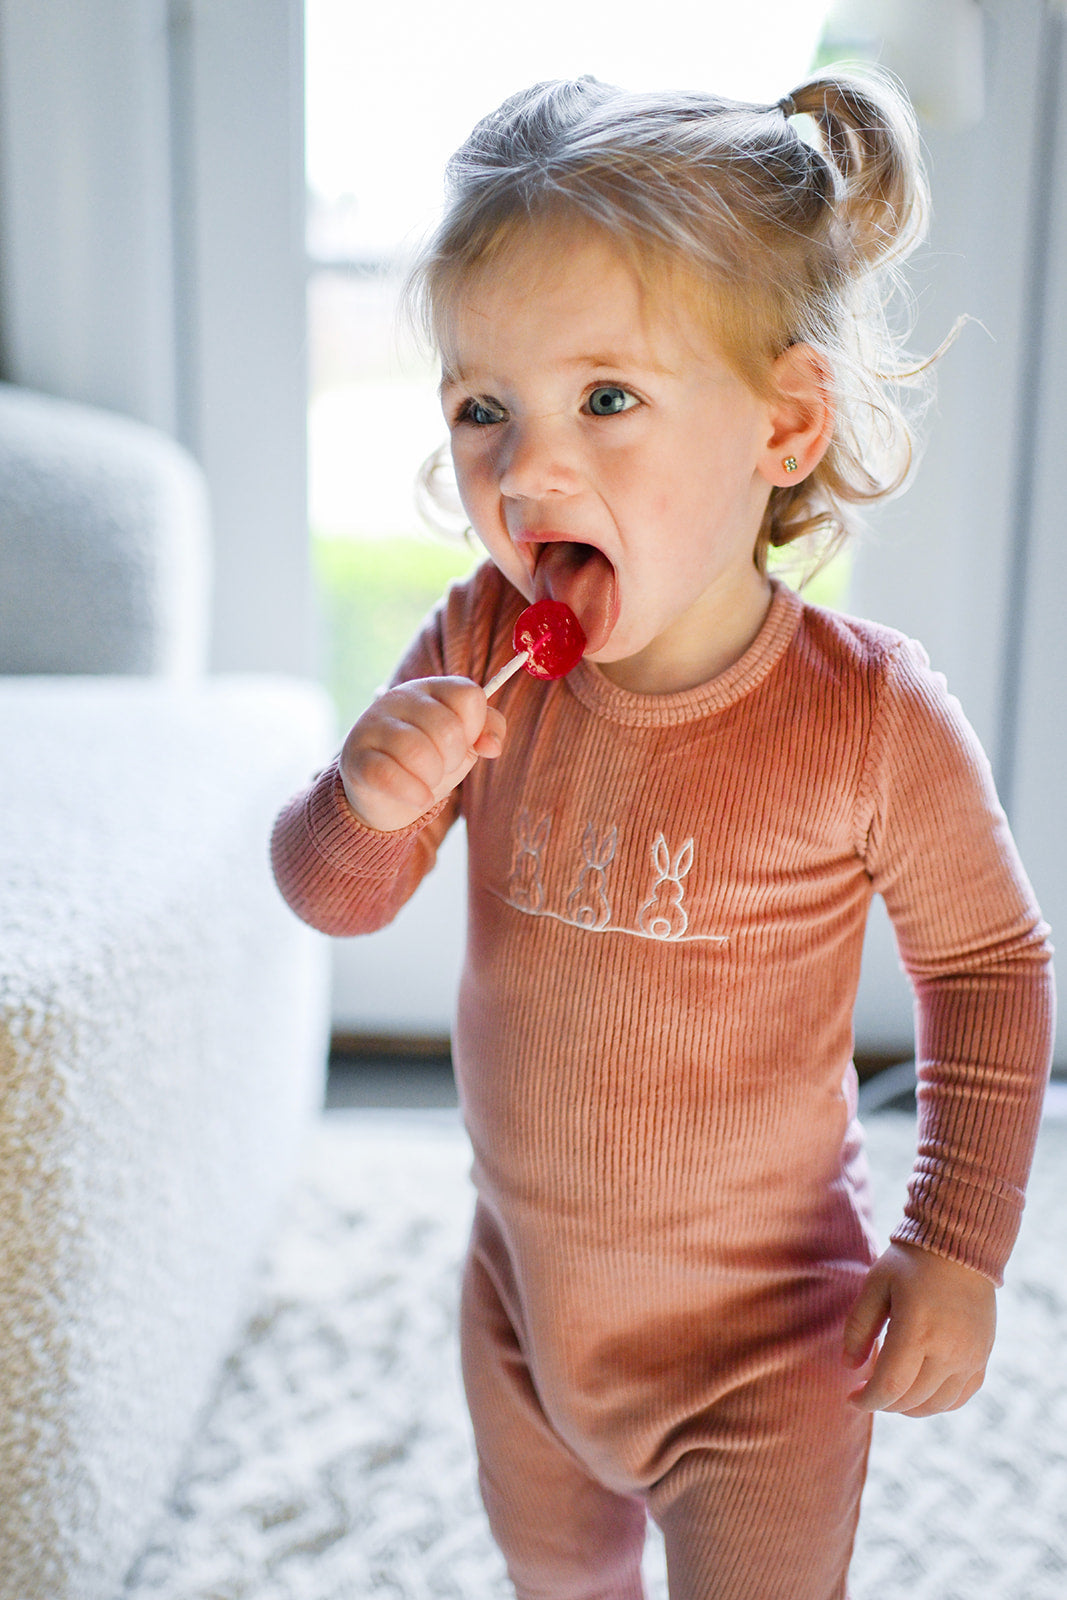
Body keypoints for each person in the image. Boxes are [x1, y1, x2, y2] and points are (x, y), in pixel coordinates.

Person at [272, 70, 1054, 1600]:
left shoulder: (868, 717)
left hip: (768, 1348)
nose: (526, 469)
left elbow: (991, 966)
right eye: (483, 408)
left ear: (785, 420)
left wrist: (955, 1249)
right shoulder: (479, 632)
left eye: (606, 400)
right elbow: (326, 898)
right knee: (555, 1580)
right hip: (523, 1306)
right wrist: (367, 799)